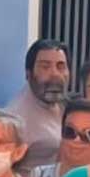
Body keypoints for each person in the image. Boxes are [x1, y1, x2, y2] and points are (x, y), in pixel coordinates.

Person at [8, 38, 70, 168]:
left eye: (61, 66)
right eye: (45, 67)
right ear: (28, 74)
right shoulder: (16, 120)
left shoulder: (66, 106)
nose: (55, 74)